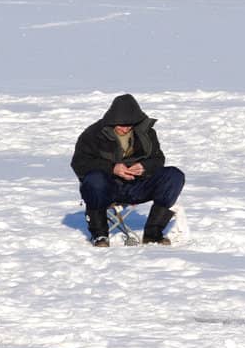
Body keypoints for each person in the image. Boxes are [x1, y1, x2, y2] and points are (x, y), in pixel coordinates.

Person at [71, 93, 185, 247]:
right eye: (121, 125)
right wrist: (112, 168)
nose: (125, 129)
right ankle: (100, 236)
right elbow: (79, 163)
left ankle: (153, 234)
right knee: (94, 180)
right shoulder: (93, 134)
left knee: (174, 176)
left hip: (138, 185)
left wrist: (145, 167)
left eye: (129, 125)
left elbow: (158, 159)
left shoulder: (146, 132)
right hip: (107, 188)